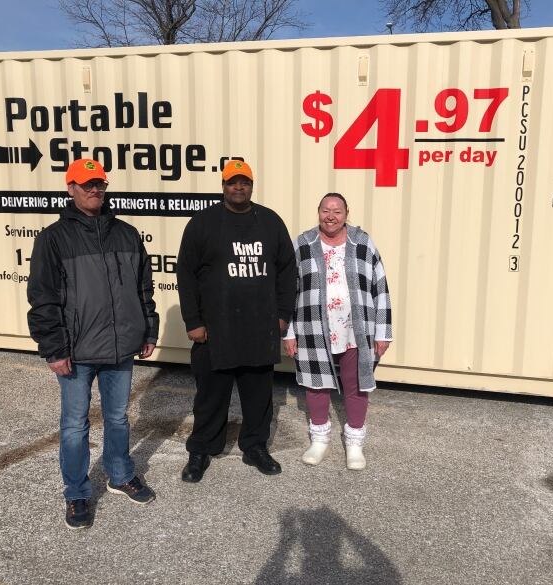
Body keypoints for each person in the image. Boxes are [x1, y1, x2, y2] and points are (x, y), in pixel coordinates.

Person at [27, 158, 159, 530]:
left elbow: (143, 287)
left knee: (117, 417)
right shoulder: (53, 239)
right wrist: (54, 349)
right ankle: (77, 494)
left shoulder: (127, 233)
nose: (94, 190)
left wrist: (148, 330)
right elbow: (42, 299)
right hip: (77, 352)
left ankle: (120, 475)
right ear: (70, 189)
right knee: (74, 425)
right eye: (86, 185)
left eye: (99, 183)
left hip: (120, 349)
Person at [176, 159, 297, 482]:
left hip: (259, 329)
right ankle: (201, 449)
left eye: (244, 182)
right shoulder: (203, 223)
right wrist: (193, 321)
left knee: (258, 397)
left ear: (252, 185)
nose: (238, 187)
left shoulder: (270, 222)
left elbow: (287, 271)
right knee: (209, 397)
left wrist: (283, 316)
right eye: (232, 182)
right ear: (223, 185)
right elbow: (185, 274)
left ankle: (255, 446)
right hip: (214, 331)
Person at [283, 193, 392, 470]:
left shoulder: (363, 243)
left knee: (355, 384)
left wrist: (383, 332)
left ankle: (354, 442)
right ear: (318, 211)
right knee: (315, 383)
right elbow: (289, 292)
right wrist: (289, 332)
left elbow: (381, 287)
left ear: (346, 214)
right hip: (313, 326)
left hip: (357, 328)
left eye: (337, 211)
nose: (331, 216)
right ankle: (319, 439)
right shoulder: (303, 244)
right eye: (325, 210)